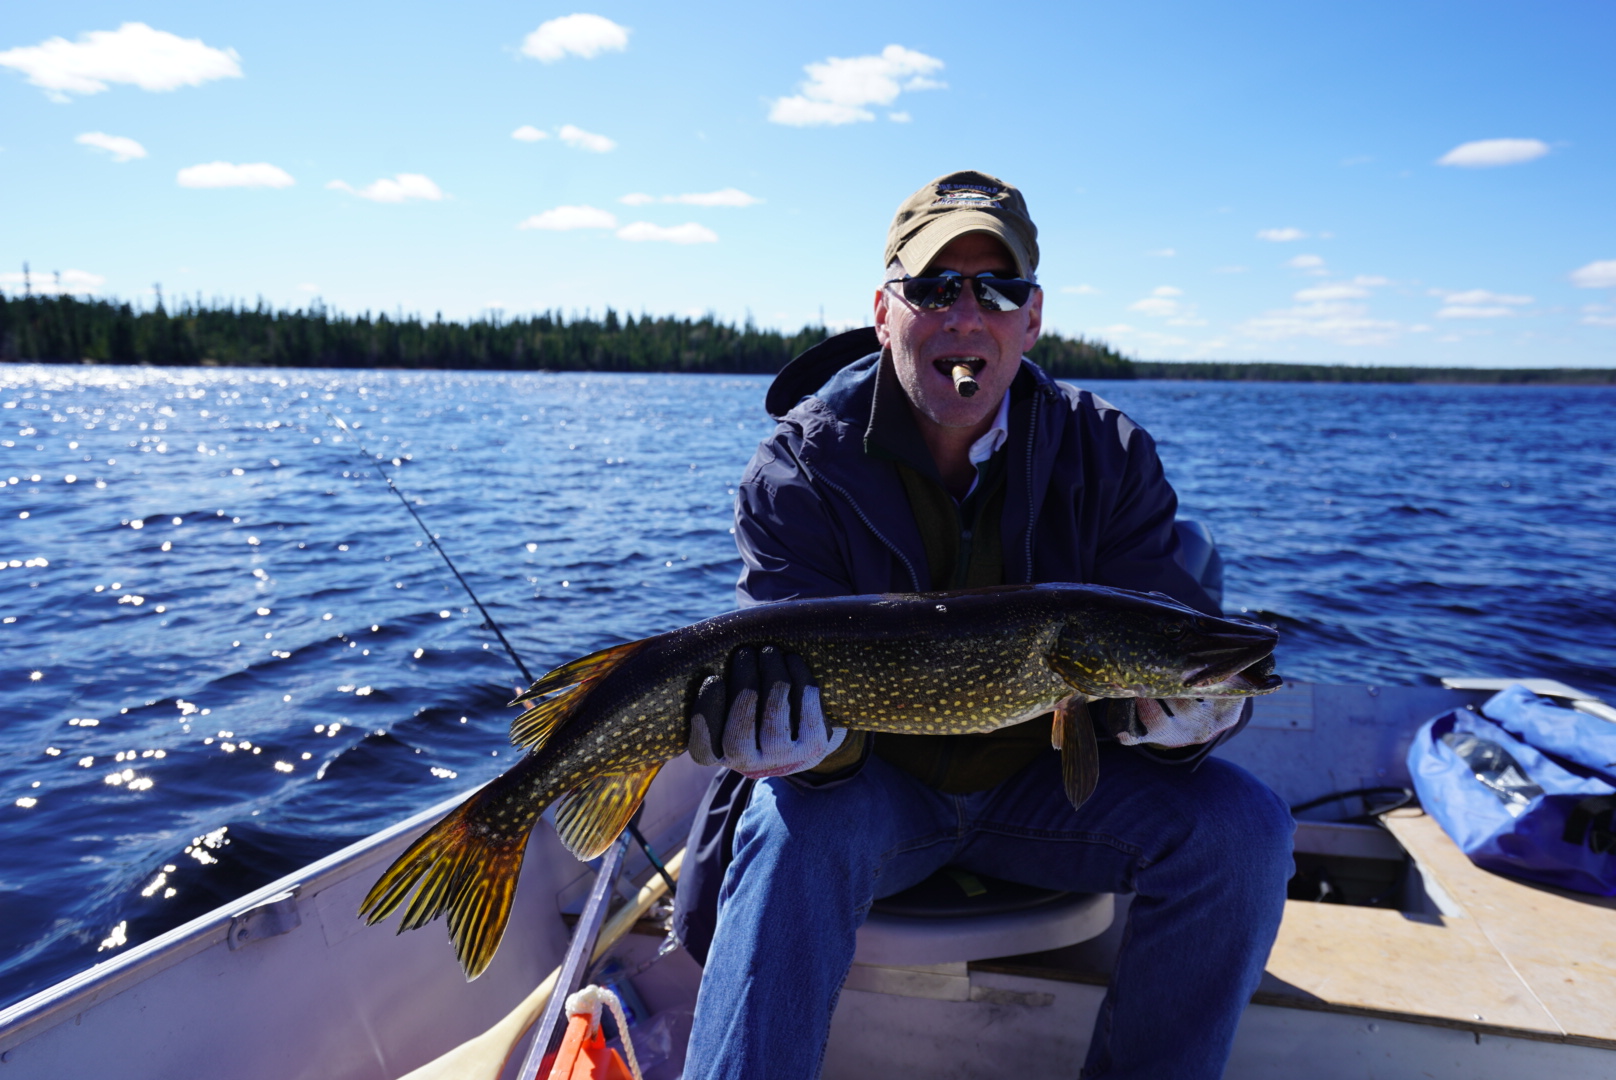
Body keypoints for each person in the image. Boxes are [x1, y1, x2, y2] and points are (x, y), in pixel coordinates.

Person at [675, 170, 1294, 1079]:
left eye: (997, 290)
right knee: (788, 831)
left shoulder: (1108, 452)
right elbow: (788, 679)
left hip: (1048, 790)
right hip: (867, 790)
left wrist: (1183, 722)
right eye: (934, 288)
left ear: (1031, 319)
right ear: (884, 310)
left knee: (1245, 831)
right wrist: (801, 745)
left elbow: (1162, 628)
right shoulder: (799, 468)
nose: (967, 316)